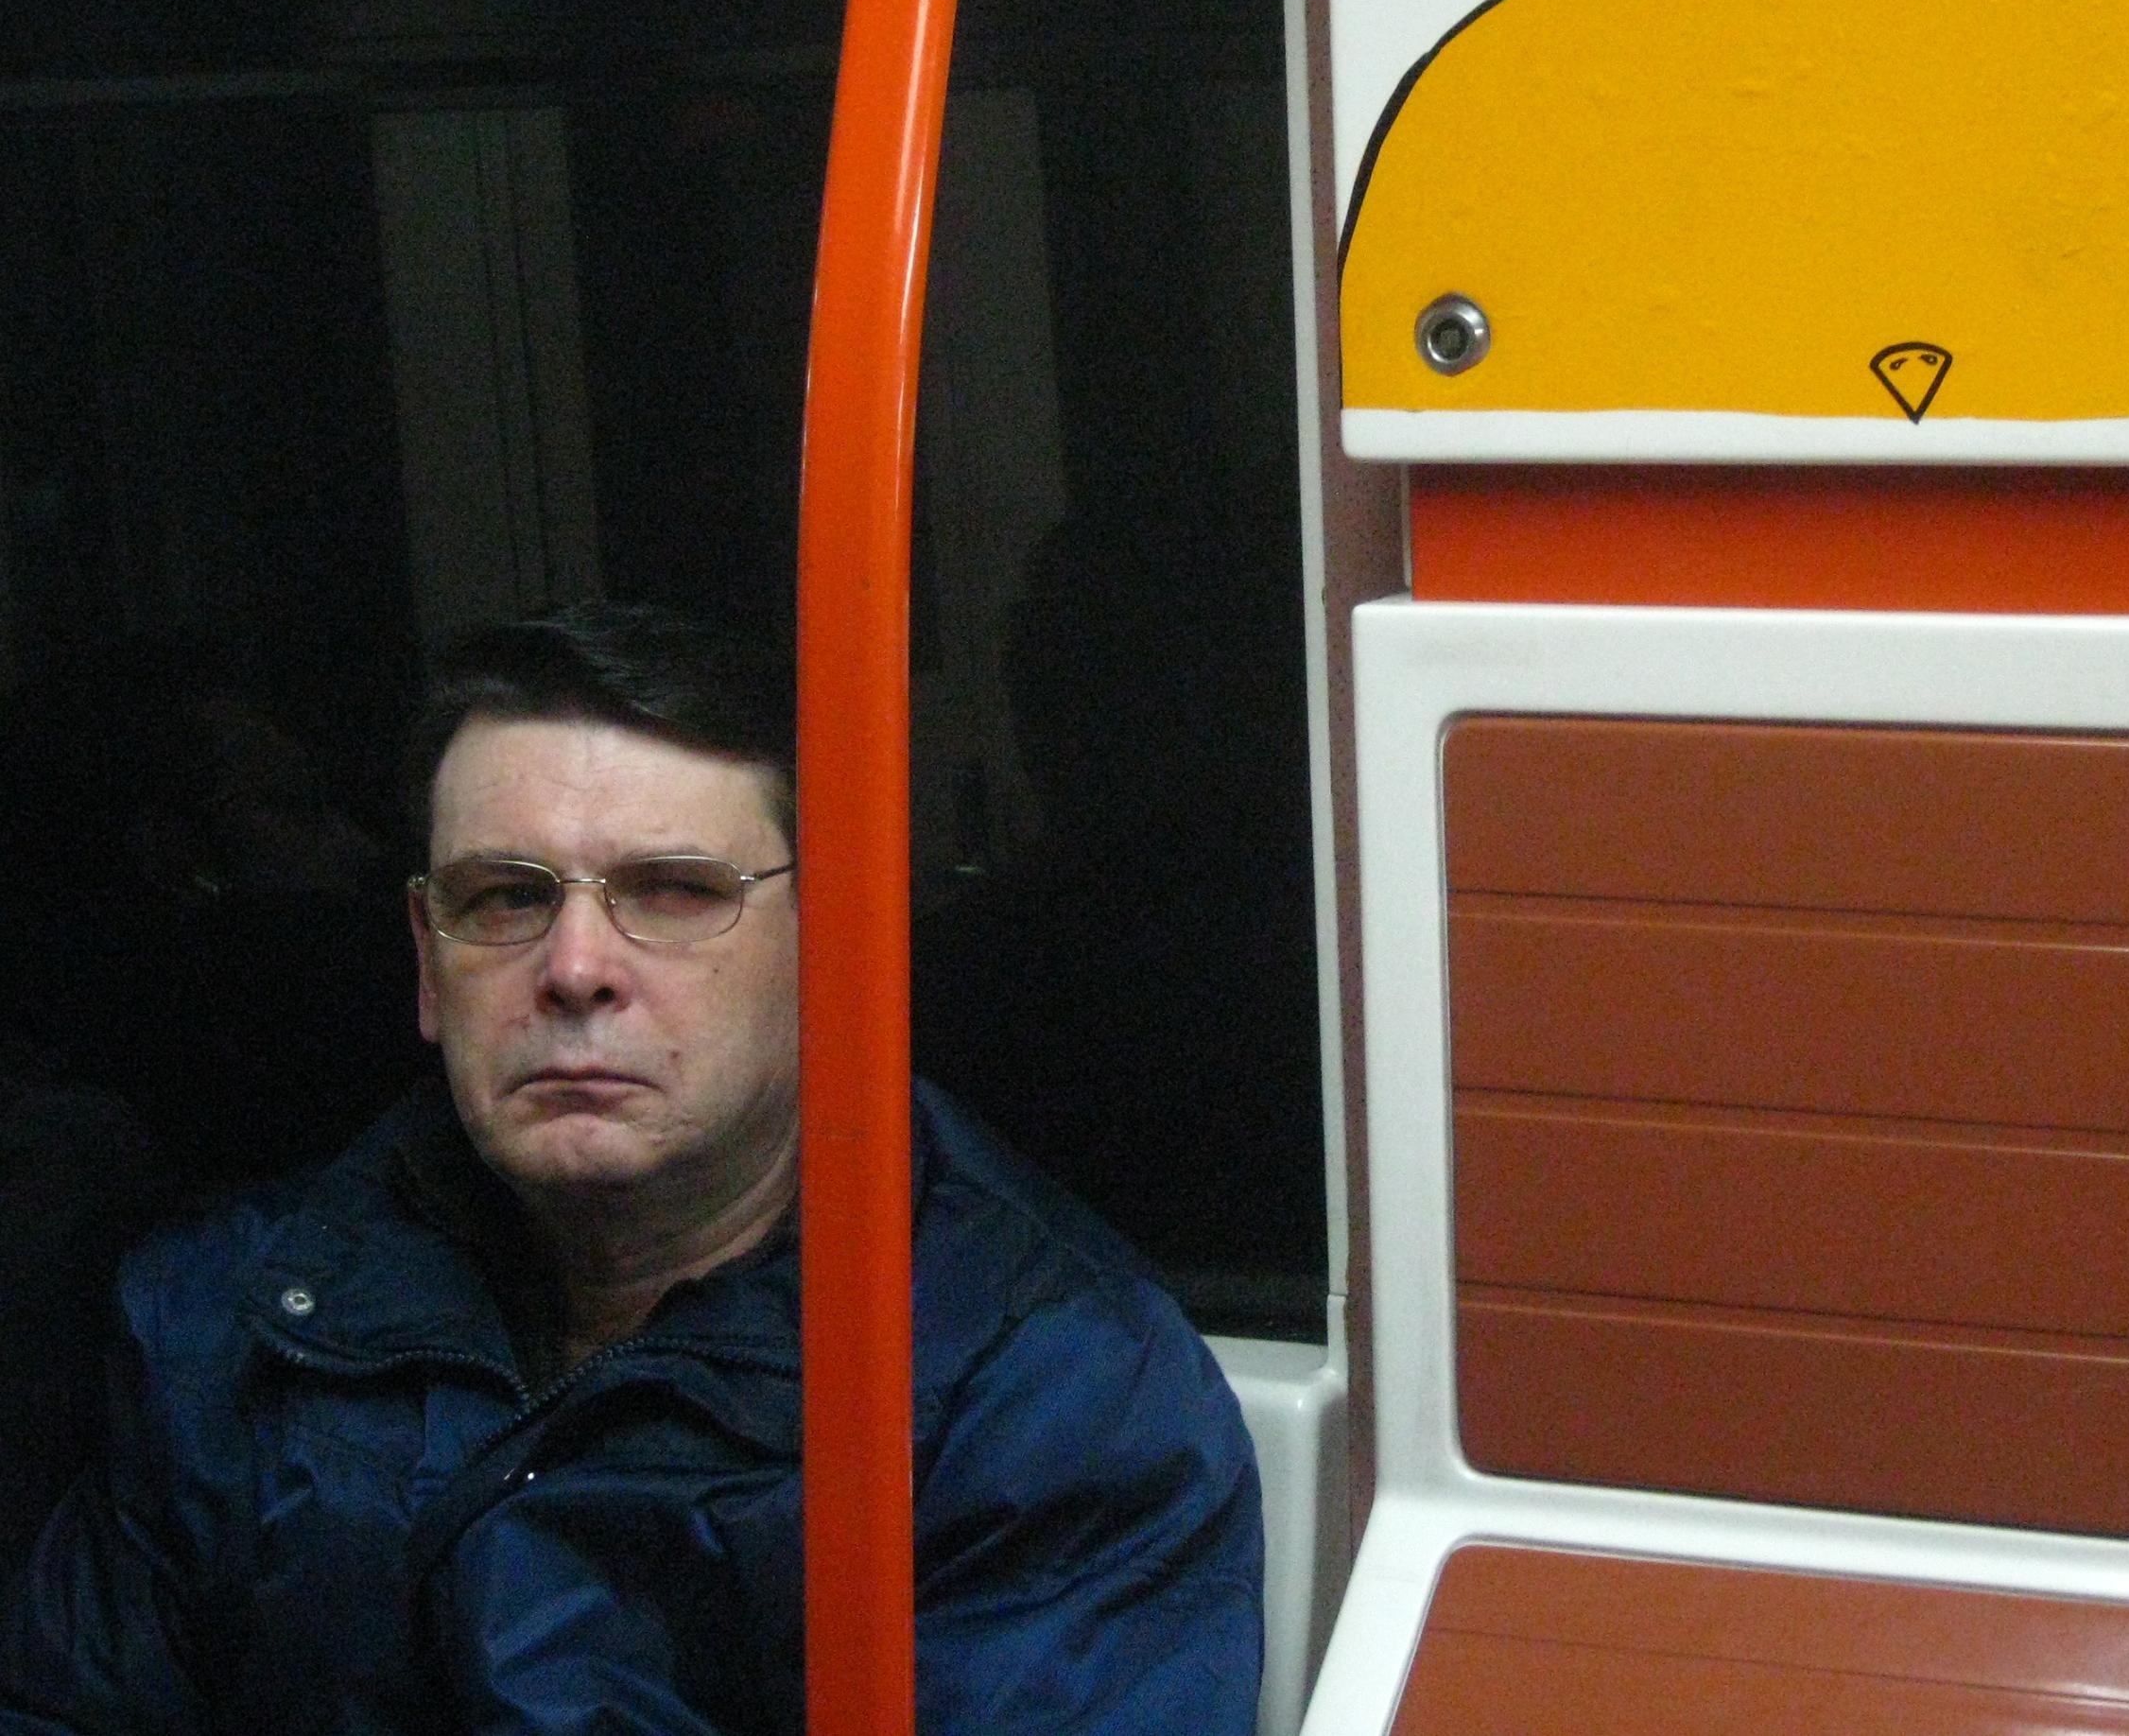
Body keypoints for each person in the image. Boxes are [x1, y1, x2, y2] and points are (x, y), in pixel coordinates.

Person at [1, 603, 1263, 1734]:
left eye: (671, 891)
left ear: (832, 944)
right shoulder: (230, 1314)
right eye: (504, 900)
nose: (574, 969)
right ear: (428, 963)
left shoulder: (1044, 1391)